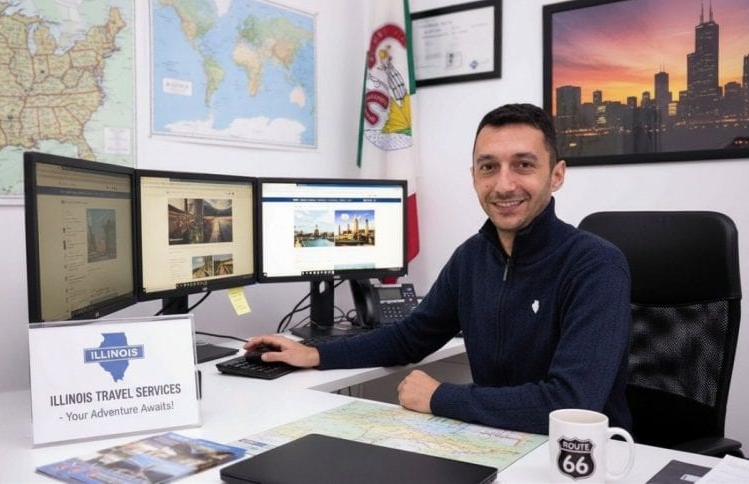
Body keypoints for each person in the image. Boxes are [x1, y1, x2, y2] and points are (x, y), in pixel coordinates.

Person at [245, 103, 632, 435]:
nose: (504, 184)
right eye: (488, 167)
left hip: (583, 458)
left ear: (557, 175)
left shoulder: (595, 266)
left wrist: (439, 396)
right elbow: (410, 337)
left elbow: (570, 403)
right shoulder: (471, 258)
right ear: (473, 176)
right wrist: (314, 354)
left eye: (523, 165)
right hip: (497, 440)